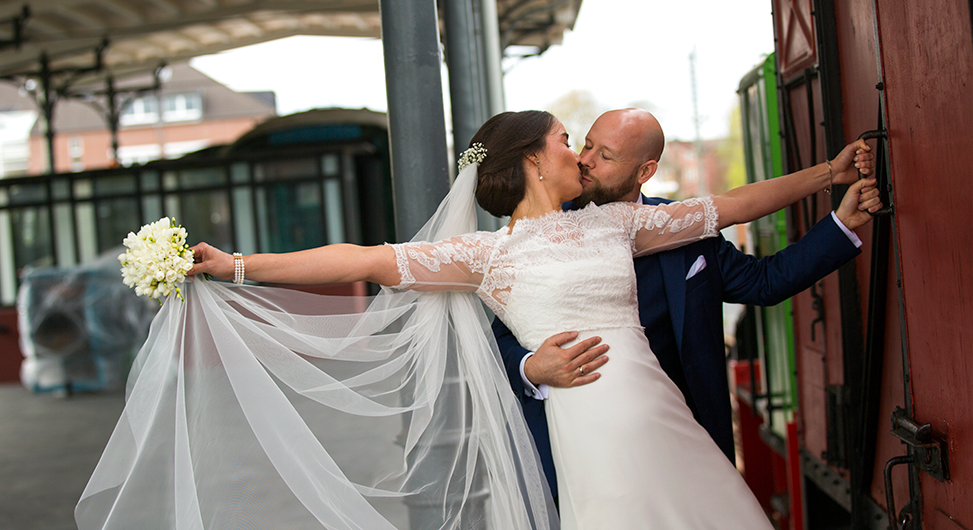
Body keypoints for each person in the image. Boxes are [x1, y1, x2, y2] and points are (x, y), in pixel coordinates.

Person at [78, 110, 881, 530]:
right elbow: (359, 256)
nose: (580, 154)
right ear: (533, 157)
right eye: (569, 141)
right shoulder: (482, 255)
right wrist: (238, 266)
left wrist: (825, 175)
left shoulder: (619, 222)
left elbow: (729, 206)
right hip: (587, 423)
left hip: (663, 413)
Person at [492, 108, 871, 498]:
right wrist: (531, 366)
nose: (585, 161)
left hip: (685, 429)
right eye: (586, 145)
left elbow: (764, 282)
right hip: (584, 441)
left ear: (644, 171)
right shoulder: (540, 233)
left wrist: (840, 224)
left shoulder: (680, 223)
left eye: (605, 156)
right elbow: (501, 336)